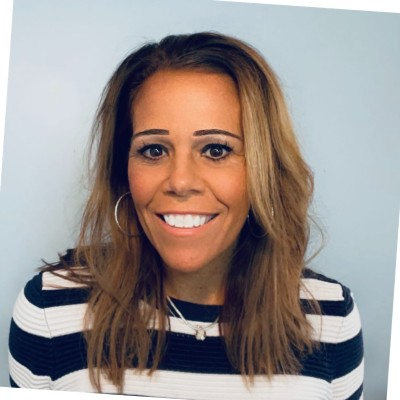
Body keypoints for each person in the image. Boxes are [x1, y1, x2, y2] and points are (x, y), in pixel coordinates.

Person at [8, 32, 364, 399]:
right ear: (123, 171)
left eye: (215, 150)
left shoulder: (331, 320)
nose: (180, 182)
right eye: (153, 150)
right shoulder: (50, 312)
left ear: (265, 171)